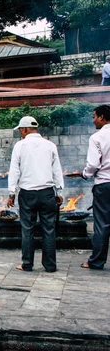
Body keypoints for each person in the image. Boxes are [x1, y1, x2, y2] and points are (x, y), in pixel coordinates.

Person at [7, 116, 64, 273]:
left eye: (20, 130)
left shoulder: (20, 146)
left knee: (27, 229)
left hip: (27, 194)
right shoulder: (50, 145)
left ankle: (27, 264)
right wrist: (59, 191)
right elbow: (57, 170)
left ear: (25, 129)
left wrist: (11, 193)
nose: (20, 132)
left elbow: (14, 170)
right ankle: (50, 265)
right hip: (47, 193)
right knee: (49, 229)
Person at [79, 105, 110, 269]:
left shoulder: (97, 137)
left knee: (102, 224)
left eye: (94, 117)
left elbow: (93, 164)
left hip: (104, 185)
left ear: (103, 117)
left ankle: (97, 261)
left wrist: (85, 174)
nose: (93, 120)